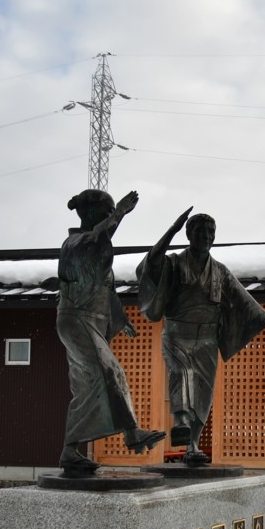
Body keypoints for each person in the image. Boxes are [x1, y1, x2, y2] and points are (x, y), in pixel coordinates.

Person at [136, 210, 265, 465]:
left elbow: (243, 297)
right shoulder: (174, 263)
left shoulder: (219, 270)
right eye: (200, 231)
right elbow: (151, 263)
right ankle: (180, 420)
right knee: (181, 373)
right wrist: (171, 231)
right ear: (188, 234)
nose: (206, 236)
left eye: (210, 232)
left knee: (204, 394)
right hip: (177, 335)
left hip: (207, 339)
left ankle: (192, 444)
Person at [57, 189, 166, 476]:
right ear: (88, 213)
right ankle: (131, 432)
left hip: (91, 320)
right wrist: (120, 213)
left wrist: (120, 319)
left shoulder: (93, 245)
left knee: (87, 387)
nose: (109, 218)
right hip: (77, 319)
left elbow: (108, 292)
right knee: (110, 371)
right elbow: (97, 238)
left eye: (110, 213)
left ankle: (70, 451)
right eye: (104, 213)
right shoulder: (75, 243)